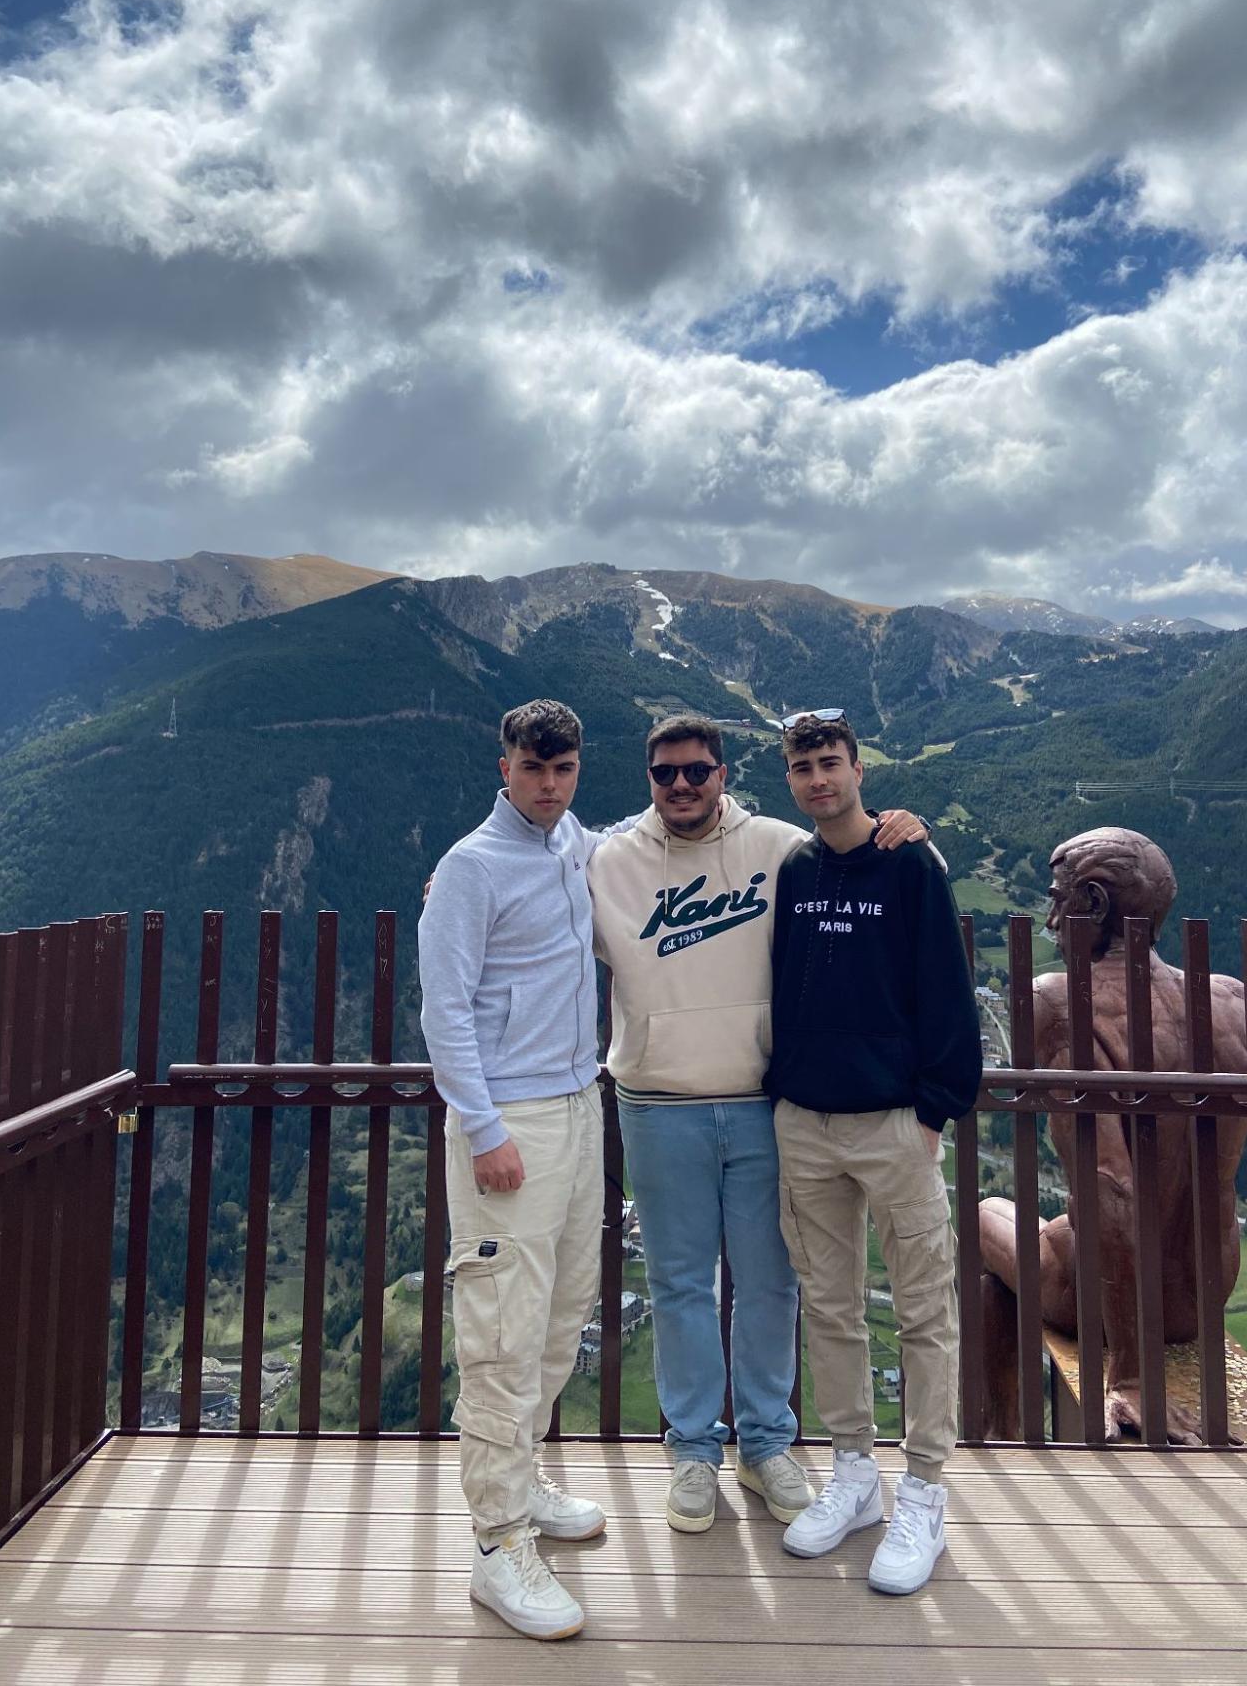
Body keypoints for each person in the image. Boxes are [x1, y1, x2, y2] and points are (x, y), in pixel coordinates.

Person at [587, 711, 932, 1535]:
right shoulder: (608, 859)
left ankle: (768, 1441)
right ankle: (694, 1449)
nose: (681, 786)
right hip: (656, 1102)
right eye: (665, 772)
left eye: (697, 771)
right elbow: (531, 861)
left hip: (759, 1100)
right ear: (648, 779)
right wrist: (449, 884)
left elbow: (864, 858)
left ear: (724, 773)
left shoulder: (781, 848)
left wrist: (903, 827)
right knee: (677, 1284)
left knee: (770, 1280)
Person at [418, 698, 634, 1642]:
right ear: (503, 765)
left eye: (565, 769)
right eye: (533, 768)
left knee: (562, 1312)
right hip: (512, 1124)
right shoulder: (470, 867)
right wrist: (482, 1126)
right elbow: (444, 1011)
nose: (550, 784)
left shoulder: (571, 842)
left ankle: (527, 1478)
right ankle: (497, 1542)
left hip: (581, 1105)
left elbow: (637, 835)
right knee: (503, 1332)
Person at [767, 711, 981, 1595]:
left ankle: (924, 1487)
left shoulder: (910, 863)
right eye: (803, 767)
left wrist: (933, 1110)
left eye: (830, 763)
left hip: (895, 1122)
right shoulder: (794, 867)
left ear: (860, 768)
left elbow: (947, 992)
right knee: (830, 1306)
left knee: (924, 1308)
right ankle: (854, 1471)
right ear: (790, 779)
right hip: (805, 1121)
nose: (819, 779)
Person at [978, 826, 1247, 1444]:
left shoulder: (1059, 1002)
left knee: (983, 1213)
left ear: (1093, 903)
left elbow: (1108, 1184)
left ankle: (999, 1429)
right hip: (1205, 1290)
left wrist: (1133, 1375)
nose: (1050, 918)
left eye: (1059, 898)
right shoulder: (1234, 1004)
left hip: (1095, 1297)